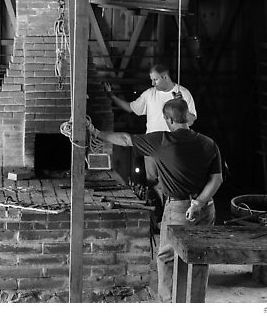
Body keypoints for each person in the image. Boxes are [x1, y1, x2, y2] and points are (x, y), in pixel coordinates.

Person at [93, 98, 222, 302]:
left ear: (168, 120)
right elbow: (217, 179)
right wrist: (199, 203)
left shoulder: (161, 141)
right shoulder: (209, 143)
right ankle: (196, 303)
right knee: (200, 256)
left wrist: (97, 133)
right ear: (187, 117)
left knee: (167, 257)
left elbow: (126, 139)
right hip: (206, 208)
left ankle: (169, 303)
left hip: (179, 209)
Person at [104, 63, 197, 205]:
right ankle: (158, 216)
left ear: (165, 77)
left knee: (173, 182)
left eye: (155, 80)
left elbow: (190, 121)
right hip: (151, 147)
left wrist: (181, 104)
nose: (152, 83)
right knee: (152, 183)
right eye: (151, 80)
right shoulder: (149, 94)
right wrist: (111, 96)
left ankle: (172, 210)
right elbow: (130, 108)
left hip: (174, 147)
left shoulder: (183, 93)